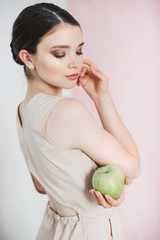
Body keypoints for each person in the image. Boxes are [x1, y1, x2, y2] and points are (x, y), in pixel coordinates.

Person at [10, 2, 141, 240]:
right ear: (27, 58)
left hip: (52, 229)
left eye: (79, 51)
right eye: (60, 53)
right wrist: (102, 98)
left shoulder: (22, 111)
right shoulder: (67, 110)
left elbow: (41, 185)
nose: (75, 62)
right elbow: (133, 166)